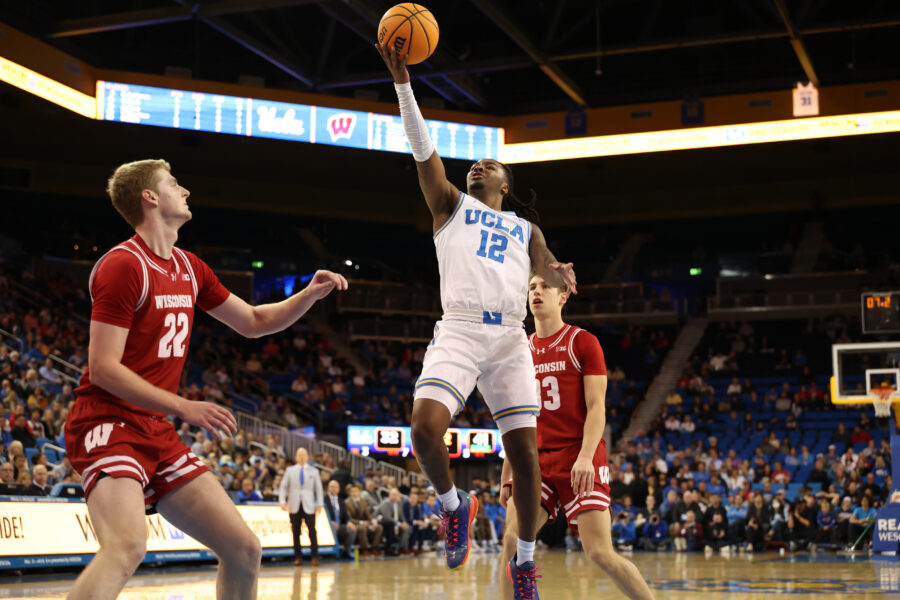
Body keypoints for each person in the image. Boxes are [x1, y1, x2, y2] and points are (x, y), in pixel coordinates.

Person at [63, 159, 347, 600]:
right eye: (174, 184)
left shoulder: (189, 267)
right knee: (126, 548)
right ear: (150, 198)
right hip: (108, 423)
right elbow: (103, 368)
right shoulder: (122, 265)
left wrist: (307, 295)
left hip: (155, 429)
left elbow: (253, 321)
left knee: (244, 549)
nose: (186, 191)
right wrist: (183, 406)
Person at [376, 43, 576, 599]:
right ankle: (454, 505)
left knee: (526, 458)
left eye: (490, 165)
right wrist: (403, 85)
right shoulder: (450, 204)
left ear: (506, 183)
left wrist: (560, 275)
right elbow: (423, 149)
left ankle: (526, 563)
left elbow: (547, 281)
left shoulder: (526, 230)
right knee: (422, 429)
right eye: (475, 165)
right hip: (461, 328)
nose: (478, 166)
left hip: (510, 337)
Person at [500, 274, 654, 600]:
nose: (536, 292)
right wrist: (506, 474)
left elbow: (597, 407)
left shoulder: (582, 341)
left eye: (544, 286)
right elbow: (515, 419)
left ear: (563, 297)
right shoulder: (519, 350)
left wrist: (586, 456)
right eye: (531, 288)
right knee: (510, 541)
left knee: (599, 552)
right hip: (536, 458)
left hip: (579, 453)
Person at [280, 448, 324, 566]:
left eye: (304, 454)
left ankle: (314, 556)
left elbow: (318, 488)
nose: (302, 457)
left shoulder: (314, 471)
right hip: (294, 505)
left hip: (309, 505)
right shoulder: (290, 470)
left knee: (312, 531)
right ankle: (298, 556)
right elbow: (283, 486)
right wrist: (282, 501)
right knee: (295, 531)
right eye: (299, 454)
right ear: (296, 457)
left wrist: (320, 504)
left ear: (307, 456)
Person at [346, 483, 384, 556]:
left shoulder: (363, 501)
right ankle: (364, 549)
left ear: (359, 492)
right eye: (353, 491)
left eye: (356, 491)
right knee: (362, 528)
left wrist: (373, 521)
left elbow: (368, 514)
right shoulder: (347, 502)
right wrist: (362, 522)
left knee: (379, 527)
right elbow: (349, 518)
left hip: (365, 522)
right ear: (350, 493)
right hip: (354, 524)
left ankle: (374, 548)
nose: (355, 493)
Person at [324, 480, 356, 559]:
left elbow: (345, 515)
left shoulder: (341, 501)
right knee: (333, 529)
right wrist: (330, 522)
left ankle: (346, 551)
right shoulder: (323, 499)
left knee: (352, 529)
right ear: (328, 488)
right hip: (327, 526)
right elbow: (322, 515)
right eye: (331, 487)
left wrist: (348, 522)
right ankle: (331, 553)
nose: (333, 489)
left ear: (339, 489)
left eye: (335, 487)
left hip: (340, 525)